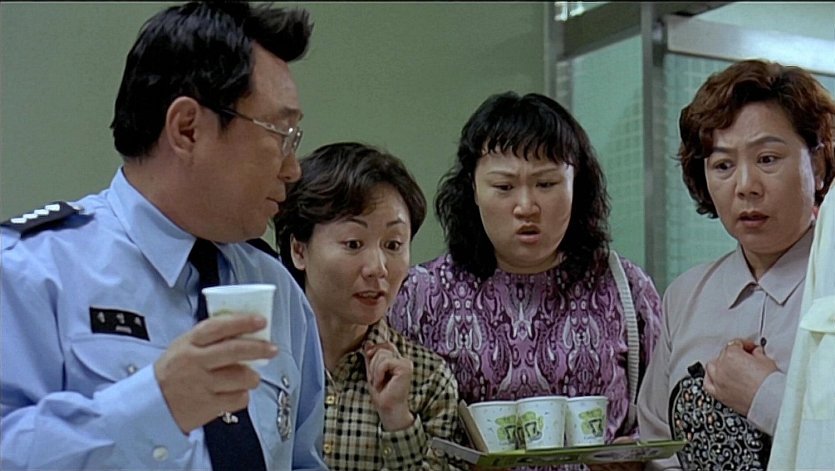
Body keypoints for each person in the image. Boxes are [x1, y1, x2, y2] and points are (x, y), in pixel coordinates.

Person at [0, 3, 327, 470]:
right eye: (281, 135)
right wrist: (154, 405)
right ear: (187, 129)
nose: (293, 169)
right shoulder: (30, 270)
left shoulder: (278, 291)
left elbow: (301, 460)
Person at [388, 91, 664, 471]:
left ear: (576, 185)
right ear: (473, 189)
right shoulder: (420, 295)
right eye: (504, 187)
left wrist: (636, 454)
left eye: (546, 184)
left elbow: (663, 417)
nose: (526, 207)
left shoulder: (626, 288)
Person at [636, 59, 835, 471]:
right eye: (723, 165)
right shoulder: (685, 296)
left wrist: (766, 396)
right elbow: (659, 446)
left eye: (768, 158)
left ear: (817, 165)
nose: (746, 186)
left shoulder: (827, 286)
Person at [275, 142, 466, 470]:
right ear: (299, 250)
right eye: (353, 244)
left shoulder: (427, 379)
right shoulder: (263, 360)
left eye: (393, 245)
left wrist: (398, 420)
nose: (378, 268)